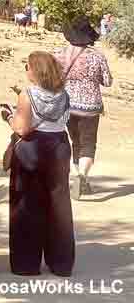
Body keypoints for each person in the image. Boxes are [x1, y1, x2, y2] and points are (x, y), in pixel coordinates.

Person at [2, 51, 75, 277]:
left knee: (27, 204)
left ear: (36, 70)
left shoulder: (28, 94)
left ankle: (27, 263)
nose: (26, 70)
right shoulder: (63, 94)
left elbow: (22, 128)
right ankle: (61, 262)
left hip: (32, 148)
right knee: (58, 204)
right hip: (59, 147)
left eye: (28, 66)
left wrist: (8, 117)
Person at [54, 17, 113, 198]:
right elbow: (107, 81)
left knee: (76, 142)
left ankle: (81, 178)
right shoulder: (97, 56)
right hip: (91, 107)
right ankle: (82, 176)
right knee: (88, 144)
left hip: (68, 106)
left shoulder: (59, 54)